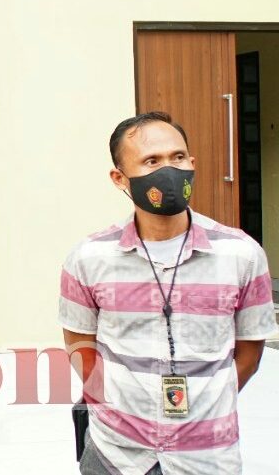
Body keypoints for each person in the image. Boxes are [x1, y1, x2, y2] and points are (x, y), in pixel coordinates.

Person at [60, 112, 276, 475]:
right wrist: (120, 407)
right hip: (116, 455)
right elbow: (80, 347)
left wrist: (207, 404)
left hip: (207, 458)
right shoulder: (88, 258)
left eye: (178, 157)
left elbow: (249, 353)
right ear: (119, 178)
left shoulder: (242, 254)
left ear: (192, 163)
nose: (169, 170)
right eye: (151, 161)